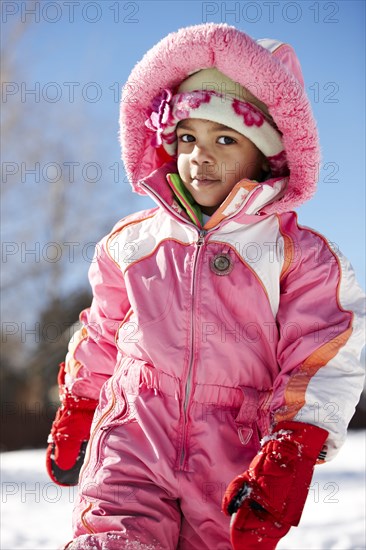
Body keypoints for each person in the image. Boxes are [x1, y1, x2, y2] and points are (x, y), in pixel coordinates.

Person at [46, 23, 365, 550]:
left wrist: (295, 444)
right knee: (111, 539)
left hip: (234, 451)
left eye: (224, 139)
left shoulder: (299, 258)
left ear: (267, 153)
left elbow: (321, 356)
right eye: (188, 138)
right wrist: (81, 403)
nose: (200, 155)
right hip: (133, 434)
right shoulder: (134, 242)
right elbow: (101, 331)